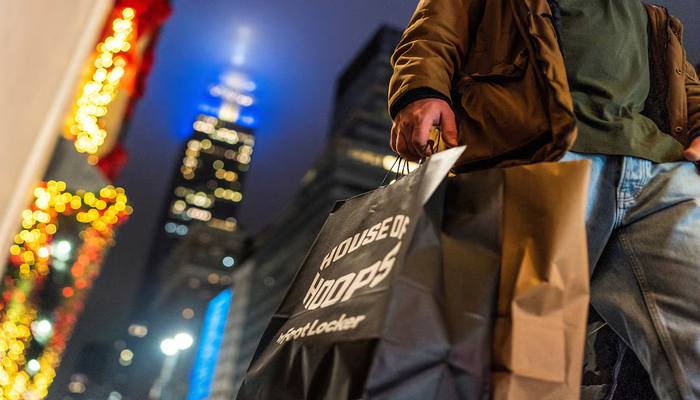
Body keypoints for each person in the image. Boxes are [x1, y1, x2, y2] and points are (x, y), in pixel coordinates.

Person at [387, 0, 700, 399]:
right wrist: (421, 90)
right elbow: (435, 30)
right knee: (528, 363)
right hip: (542, 159)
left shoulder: (649, 13)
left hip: (661, 170)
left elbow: (685, 83)